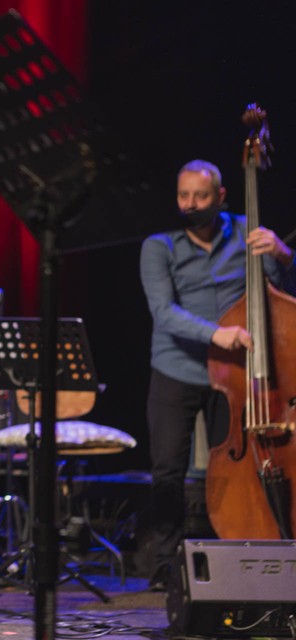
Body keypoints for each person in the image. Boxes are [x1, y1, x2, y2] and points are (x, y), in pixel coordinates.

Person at [139, 159, 296, 591]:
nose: (190, 204)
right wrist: (217, 333)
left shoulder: (249, 231)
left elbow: (278, 291)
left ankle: (239, 558)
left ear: (221, 196)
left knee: (233, 470)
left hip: (233, 377)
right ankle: (163, 567)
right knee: (168, 470)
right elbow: (163, 312)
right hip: (176, 368)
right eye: (183, 195)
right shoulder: (159, 246)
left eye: (200, 195)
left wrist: (283, 256)